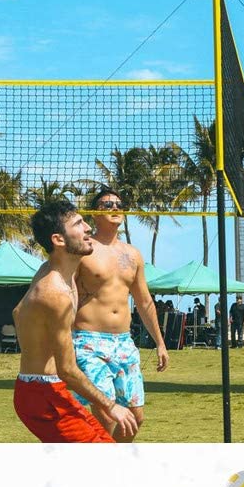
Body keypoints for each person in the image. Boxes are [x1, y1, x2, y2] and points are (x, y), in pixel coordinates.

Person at [13, 200, 137, 443]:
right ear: (59, 240)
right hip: (41, 393)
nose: (88, 228)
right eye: (78, 224)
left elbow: (18, 311)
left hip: (46, 388)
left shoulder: (53, 272)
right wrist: (111, 406)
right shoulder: (55, 293)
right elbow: (67, 370)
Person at [72, 188, 169, 442]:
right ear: (95, 214)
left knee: (135, 418)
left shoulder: (133, 254)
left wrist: (160, 342)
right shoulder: (83, 249)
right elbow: (66, 293)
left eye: (119, 204)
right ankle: (105, 471)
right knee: (106, 412)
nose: (115, 208)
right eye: (107, 205)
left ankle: (115, 461)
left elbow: (144, 301)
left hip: (124, 342)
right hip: (88, 341)